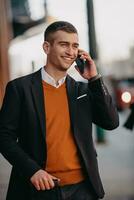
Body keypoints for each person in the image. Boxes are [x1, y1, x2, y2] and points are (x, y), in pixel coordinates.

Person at [0, 21, 119, 200]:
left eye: (75, 46)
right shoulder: (20, 88)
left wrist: (94, 79)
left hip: (83, 190)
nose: (71, 52)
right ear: (46, 47)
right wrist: (32, 170)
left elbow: (111, 123)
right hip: (38, 189)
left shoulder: (82, 91)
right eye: (64, 44)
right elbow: (4, 137)